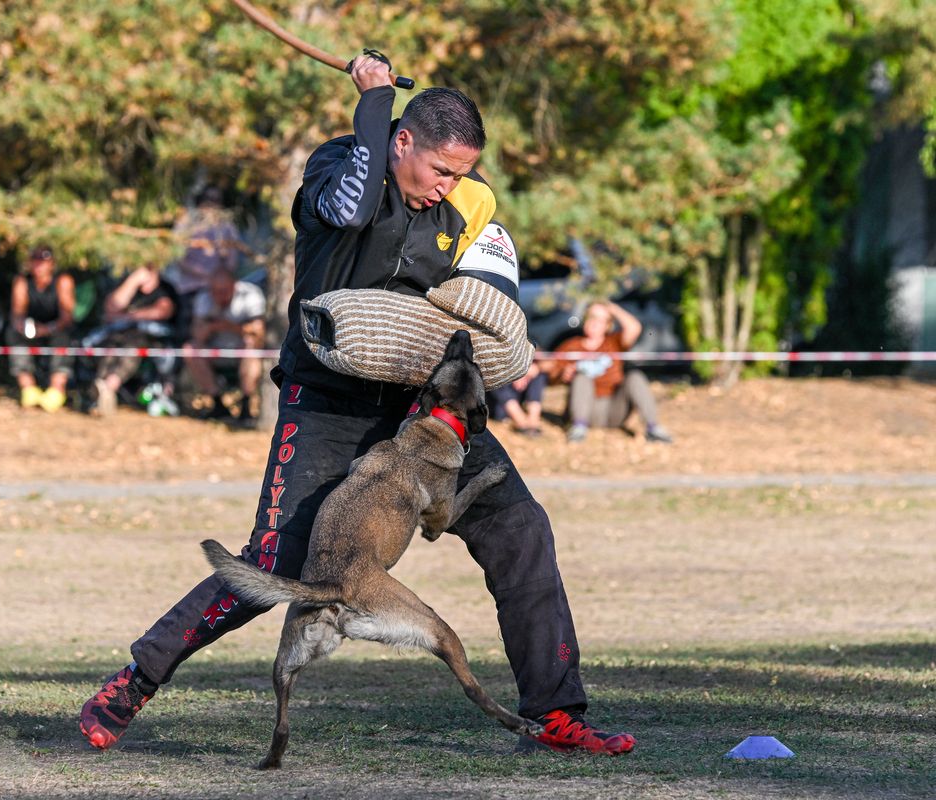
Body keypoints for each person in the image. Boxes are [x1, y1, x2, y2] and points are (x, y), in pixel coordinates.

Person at [79, 56, 635, 757]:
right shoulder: (338, 165)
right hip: (328, 402)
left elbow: (493, 294)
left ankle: (556, 714)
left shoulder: (466, 202)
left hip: (422, 412)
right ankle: (135, 680)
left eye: (462, 174)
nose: (449, 188)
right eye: (441, 170)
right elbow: (352, 206)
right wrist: (374, 101)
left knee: (521, 529)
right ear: (401, 141)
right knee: (277, 559)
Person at [546, 301, 673, 443]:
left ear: (608, 325)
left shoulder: (614, 342)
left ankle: (653, 428)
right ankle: (578, 429)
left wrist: (612, 308)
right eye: (592, 317)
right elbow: (550, 376)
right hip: (586, 408)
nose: (594, 322)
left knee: (635, 377)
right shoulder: (571, 345)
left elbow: (634, 328)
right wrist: (562, 376)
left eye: (601, 319)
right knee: (582, 377)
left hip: (615, 409)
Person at [85, 264, 179, 417]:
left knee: (132, 348)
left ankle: (108, 387)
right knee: (110, 348)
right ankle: (102, 389)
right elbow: (112, 307)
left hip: (150, 339)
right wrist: (133, 281)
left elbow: (164, 310)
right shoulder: (128, 284)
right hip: (120, 336)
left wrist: (129, 316)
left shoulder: (165, 288)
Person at [184, 266, 266, 424]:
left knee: (252, 347)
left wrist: (231, 327)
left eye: (224, 291)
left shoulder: (250, 294)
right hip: (215, 352)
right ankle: (217, 403)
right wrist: (212, 327)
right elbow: (197, 334)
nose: (219, 296)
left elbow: (258, 333)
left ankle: (246, 403)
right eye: (215, 291)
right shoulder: (204, 298)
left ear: (234, 285)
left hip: (242, 351)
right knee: (190, 349)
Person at [164, 184, 244, 337]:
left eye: (216, 200)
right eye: (207, 199)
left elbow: (232, 260)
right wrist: (206, 276)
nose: (211, 204)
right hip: (191, 291)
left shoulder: (227, 227)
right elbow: (178, 257)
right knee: (188, 335)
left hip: (219, 293)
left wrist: (218, 280)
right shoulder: (186, 224)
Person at [5, 244, 75, 412]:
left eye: (43, 261)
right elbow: (17, 313)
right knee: (13, 334)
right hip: (32, 328)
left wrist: (48, 329)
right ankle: (28, 389)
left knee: (63, 339)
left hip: (56, 328)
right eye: (35, 261)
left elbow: (67, 317)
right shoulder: (22, 281)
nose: (39, 265)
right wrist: (24, 327)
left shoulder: (63, 281)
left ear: (51, 263)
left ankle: (56, 389)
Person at [487, 361, 547, 436]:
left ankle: (533, 420)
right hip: (496, 402)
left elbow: (550, 360)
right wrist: (516, 372)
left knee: (538, 374)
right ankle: (520, 420)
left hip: (516, 391)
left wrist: (535, 368)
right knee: (495, 374)